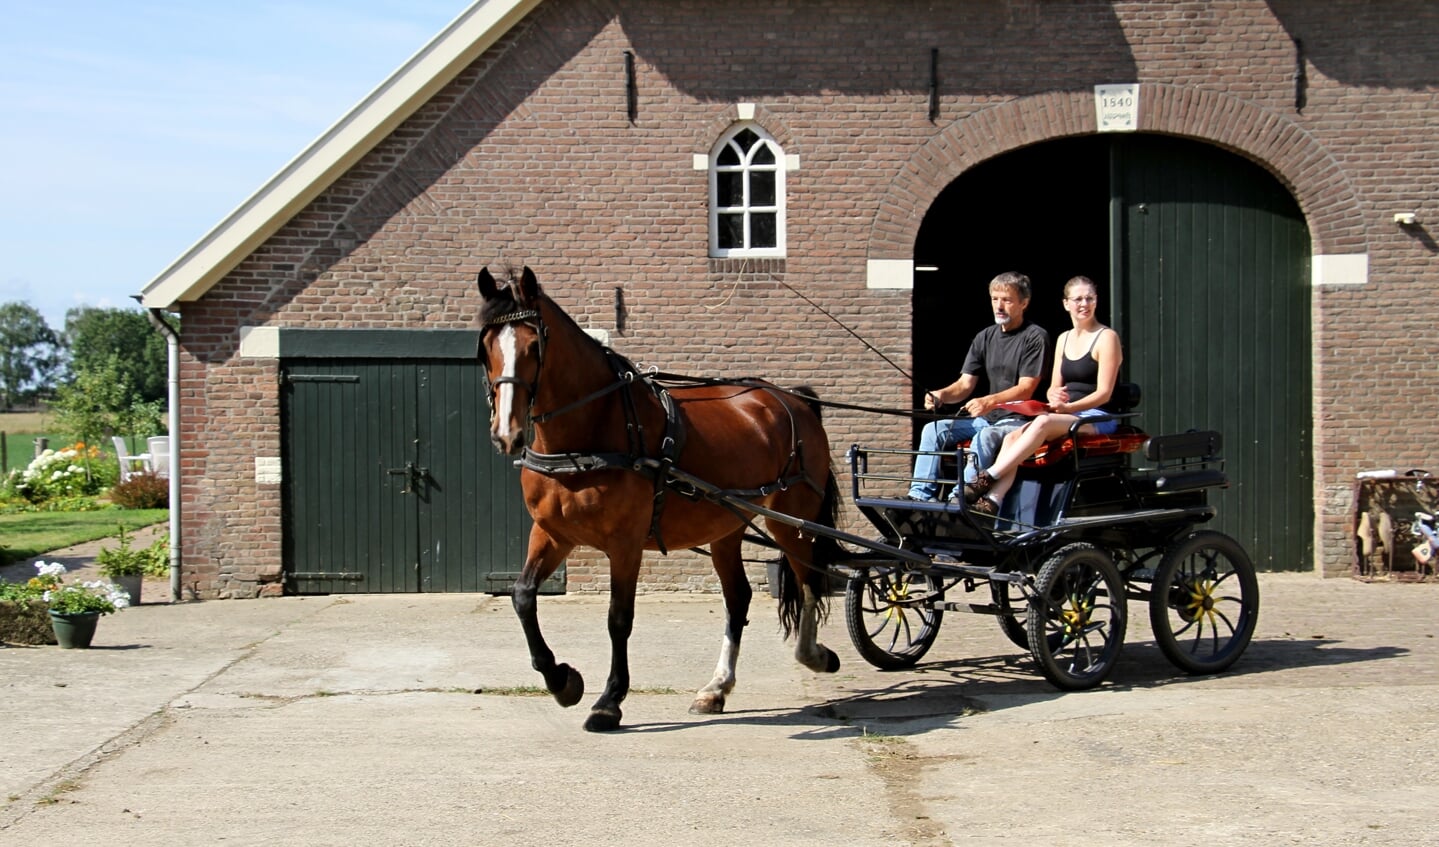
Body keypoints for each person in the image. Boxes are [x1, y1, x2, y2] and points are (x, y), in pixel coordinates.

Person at [963, 275, 1123, 515]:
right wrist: (1054, 396)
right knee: (1011, 438)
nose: (1084, 304)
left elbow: (1104, 394)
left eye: (1089, 298)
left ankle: (986, 478)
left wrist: (1067, 408)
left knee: (1043, 422)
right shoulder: (1063, 338)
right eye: (1078, 298)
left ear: (1096, 301)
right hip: (1066, 414)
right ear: (1066, 303)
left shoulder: (1107, 337)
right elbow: (1053, 387)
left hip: (1096, 416)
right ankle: (993, 502)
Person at [907, 271, 1048, 502]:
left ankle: (960, 499)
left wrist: (989, 401)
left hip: (1020, 420)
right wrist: (940, 395)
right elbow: (964, 385)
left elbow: (1026, 388)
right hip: (987, 418)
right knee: (932, 430)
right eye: (995, 299)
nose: (999, 306)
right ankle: (920, 497)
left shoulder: (1035, 337)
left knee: (984, 436)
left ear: (1024, 303)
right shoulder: (984, 337)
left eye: (1007, 300)